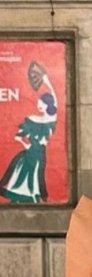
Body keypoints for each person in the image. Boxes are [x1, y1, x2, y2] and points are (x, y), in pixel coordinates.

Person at [0, 73, 58, 204]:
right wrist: (26, 145)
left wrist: (47, 82)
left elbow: (55, 99)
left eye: (42, 103)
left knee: (35, 177)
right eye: (38, 103)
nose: (39, 105)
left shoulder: (50, 120)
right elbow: (18, 136)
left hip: (39, 154)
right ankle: (18, 200)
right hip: (29, 153)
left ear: (47, 105)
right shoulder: (32, 119)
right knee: (20, 176)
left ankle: (32, 198)